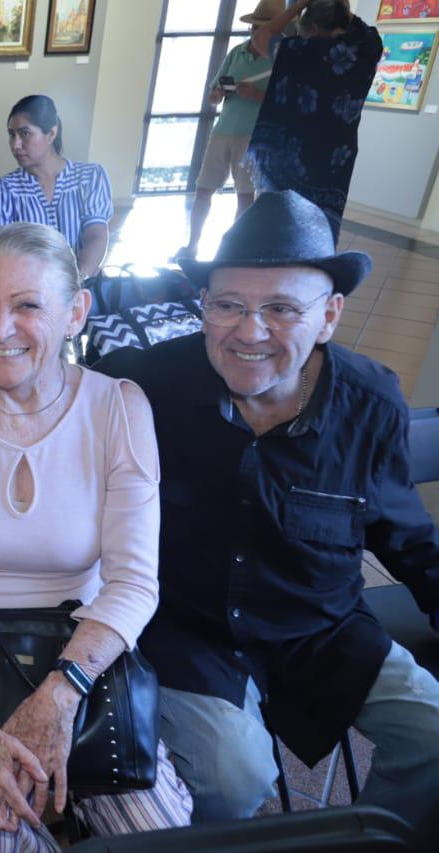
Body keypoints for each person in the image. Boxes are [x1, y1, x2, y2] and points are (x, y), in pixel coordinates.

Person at [92, 191, 439, 839]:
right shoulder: (143, 384)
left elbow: (404, 532)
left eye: (281, 307)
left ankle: (371, 836)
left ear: (330, 316)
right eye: (227, 305)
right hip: (186, 633)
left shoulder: (369, 400)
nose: (249, 331)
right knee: (235, 772)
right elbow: (43, 404)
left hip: (319, 626)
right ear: (204, 306)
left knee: (434, 736)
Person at [0, 222, 192, 852]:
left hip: (80, 652)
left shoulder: (118, 408)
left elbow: (134, 583)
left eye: (27, 306)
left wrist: (61, 693)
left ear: (76, 311)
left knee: (160, 835)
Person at [246, 0, 382, 241]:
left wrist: (298, 6)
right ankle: (315, 264)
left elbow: (262, 36)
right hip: (335, 155)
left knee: (279, 225)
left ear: (315, 28)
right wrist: (338, 7)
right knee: (322, 227)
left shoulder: (300, 50)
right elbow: (362, 28)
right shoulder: (366, 50)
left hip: (290, 154)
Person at [177, 0, 279, 260]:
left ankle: (234, 250)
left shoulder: (281, 59)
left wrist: (255, 94)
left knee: (245, 195)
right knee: (203, 188)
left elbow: (284, 103)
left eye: (263, 28)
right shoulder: (236, 52)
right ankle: (192, 244)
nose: (257, 33)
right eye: (255, 27)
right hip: (223, 131)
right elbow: (213, 93)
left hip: (252, 136)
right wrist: (218, 93)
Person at [0, 95, 112, 279]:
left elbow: (96, 236)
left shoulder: (89, 178)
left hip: (83, 287)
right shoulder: (5, 189)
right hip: (28, 292)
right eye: (11, 134)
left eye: (25, 133)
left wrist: (76, 283)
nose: (15, 144)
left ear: (51, 133)